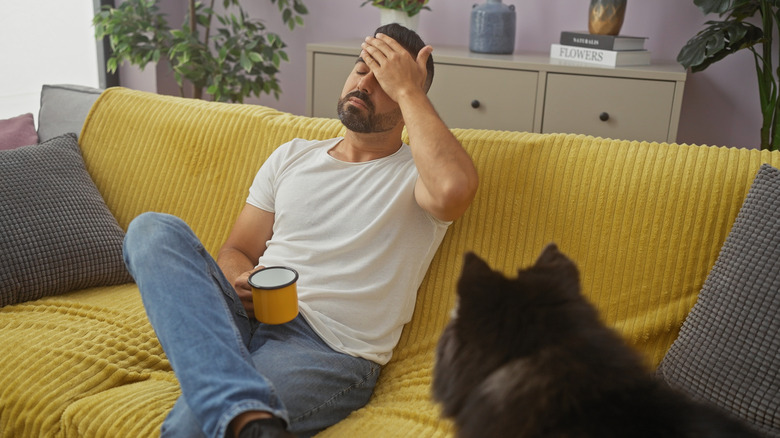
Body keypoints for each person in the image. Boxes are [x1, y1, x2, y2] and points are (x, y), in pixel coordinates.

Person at [123, 23, 478, 438]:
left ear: (407, 96)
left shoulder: (419, 173)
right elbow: (238, 248)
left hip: (322, 348)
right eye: (361, 68)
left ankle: (228, 401)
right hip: (244, 315)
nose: (363, 83)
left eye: (384, 79)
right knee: (151, 230)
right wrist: (240, 277)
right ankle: (243, 410)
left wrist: (410, 90)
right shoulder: (292, 155)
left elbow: (454, 188)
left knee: (193, 428)